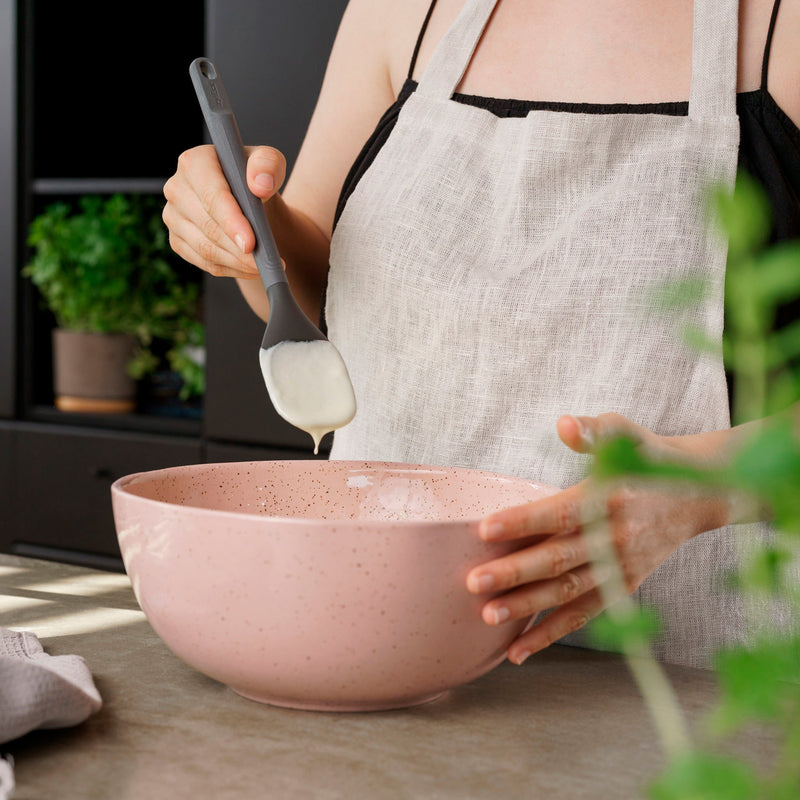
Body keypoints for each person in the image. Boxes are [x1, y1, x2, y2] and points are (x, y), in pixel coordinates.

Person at [163, 0, 800, 668]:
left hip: (698, 690)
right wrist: (246, 229)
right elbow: (319, 290)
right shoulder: (397, 13)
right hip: (390, 655)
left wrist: (701, 485)